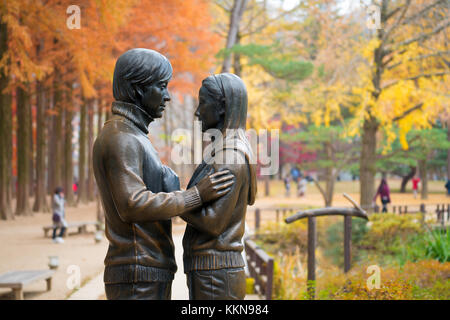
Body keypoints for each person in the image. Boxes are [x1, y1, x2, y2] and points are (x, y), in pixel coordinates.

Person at [93, 49, 234, 300]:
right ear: (138, 89)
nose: (167, 96)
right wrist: (194, 196)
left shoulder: (134, 135)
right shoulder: (121, 137)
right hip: (137, 274)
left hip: (147, 271)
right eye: (161, 87)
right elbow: (132, 204)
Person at [181, 73, 257, 300]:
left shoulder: (230, 156)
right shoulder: (224, 150)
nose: (197, 112)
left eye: (203, 103)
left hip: (215, 275)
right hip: (212, 270)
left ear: (222, 108)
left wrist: (176, 200)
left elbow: (213, 222)